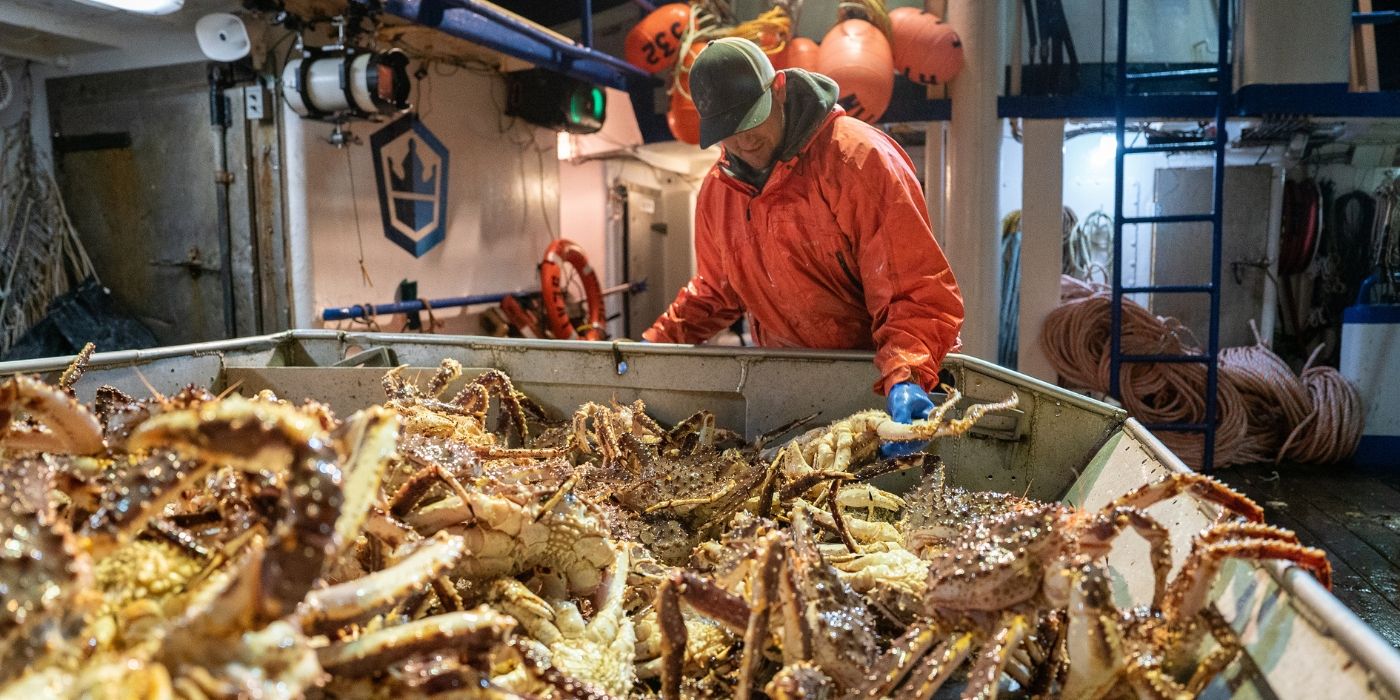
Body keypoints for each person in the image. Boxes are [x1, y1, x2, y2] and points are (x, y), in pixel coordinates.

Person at [641, 37, 964, 457]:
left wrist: (908, 376)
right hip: (789, 391)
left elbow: (914, 290)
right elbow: (716, 291)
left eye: (749, 120)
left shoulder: (858, 160)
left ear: (777, 89)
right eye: (727, 131)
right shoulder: (719, 193)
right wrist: (649, 349)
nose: (742, 141)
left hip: (883, 389)